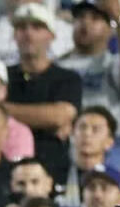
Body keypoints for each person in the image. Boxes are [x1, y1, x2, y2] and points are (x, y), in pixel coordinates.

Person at [5, 3, 82, 184]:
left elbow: (60, 116)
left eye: (37, 27)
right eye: (22, 27)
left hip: (54, 170)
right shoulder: (3, 76)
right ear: (14, 35)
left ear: (51, 35)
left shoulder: (67, 78)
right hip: (10, 170)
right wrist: (45, 118)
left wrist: (4, 110)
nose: (29, 34)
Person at [56, 0, 120, 121]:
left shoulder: (113, 63)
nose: (85, 22)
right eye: (80, 17)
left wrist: (119, 18)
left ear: (110, 30)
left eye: (95, 18)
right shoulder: (57, 66)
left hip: (108, 136)